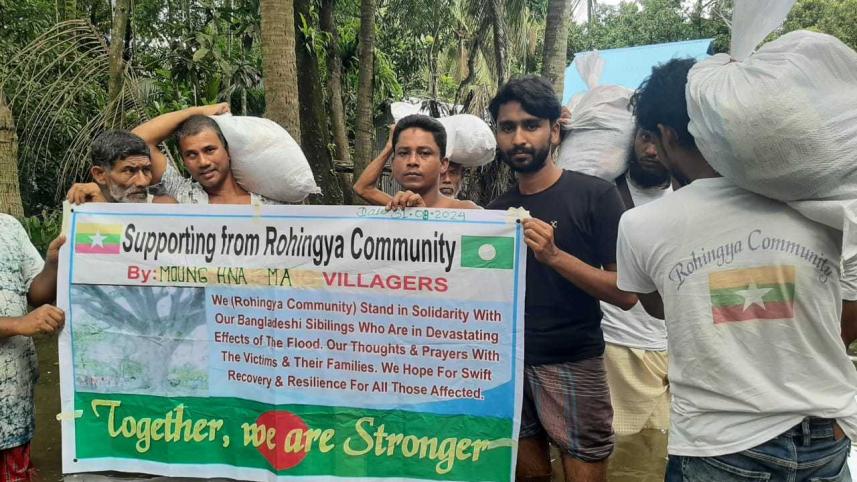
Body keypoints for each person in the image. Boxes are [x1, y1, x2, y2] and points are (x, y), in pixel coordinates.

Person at [617, 57, 857, 481]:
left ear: (668, 135)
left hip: (718, 446)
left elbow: (657, 307)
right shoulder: (818, 202)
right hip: (825, 436)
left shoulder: (641, 224)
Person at [486, 75, 635, 482]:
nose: (518, 138)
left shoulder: (597, 196)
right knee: (528, 474)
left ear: (555, 131)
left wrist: (554, 256)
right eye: (507, 127)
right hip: (510, 366)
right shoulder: (496, 211)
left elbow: (626, 294)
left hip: (574, 360)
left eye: (531, 125)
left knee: (584, 470)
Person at [601, 126, 672, 480]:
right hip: (610, 350)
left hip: (670, 354)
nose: (651, 150)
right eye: (645, 137)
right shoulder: (605, 192)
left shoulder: (689, 196)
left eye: (659, 140)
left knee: (651, 464)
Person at [0, 216, 65, 481]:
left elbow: (36, 293)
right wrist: (18, 324)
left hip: (14, 404)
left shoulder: (8, 226)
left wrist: (52, 265)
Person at [131, 104, 276, 205]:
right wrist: (197, 111)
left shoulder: (269, 205)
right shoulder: (183, 195)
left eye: (209, 150)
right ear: (183, 161)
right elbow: (136, 140)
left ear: (227, 151)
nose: (203, 162)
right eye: (191, 155)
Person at [352, 115, 479, 210]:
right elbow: (362, 188)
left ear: (443, 164)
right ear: (393, 163)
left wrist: (424, 220)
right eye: (403, 153)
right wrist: (389, 147)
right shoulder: (397, 208)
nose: (412, 161)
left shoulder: (466, 211)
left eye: (424, 153)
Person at [66, 130, 175, 204]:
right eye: (129, 171)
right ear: (100, 174)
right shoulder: (83, 209)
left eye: (146, 170)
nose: (142, 182)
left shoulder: (163, 208)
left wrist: (102, 209)